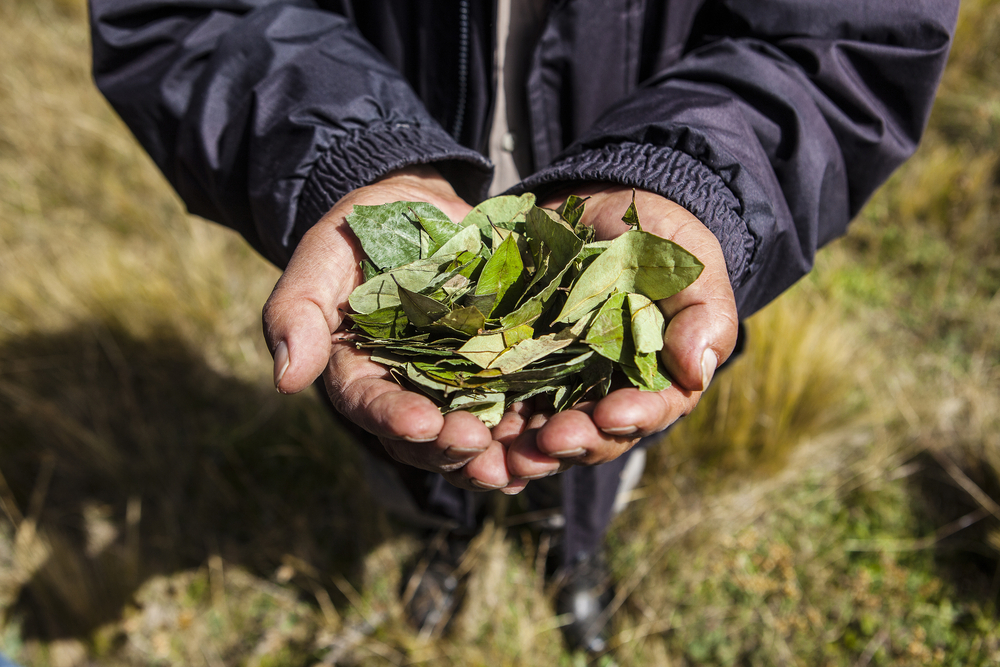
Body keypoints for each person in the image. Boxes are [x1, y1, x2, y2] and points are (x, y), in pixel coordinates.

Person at [89, 0, 958, 651]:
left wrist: (686, 170)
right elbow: (186, 14)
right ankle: (441, 539)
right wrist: (347, 152)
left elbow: (846, 35)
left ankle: (574, 553)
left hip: (624, 148)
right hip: (405, 130)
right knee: (421, 438)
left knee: (593, 432)